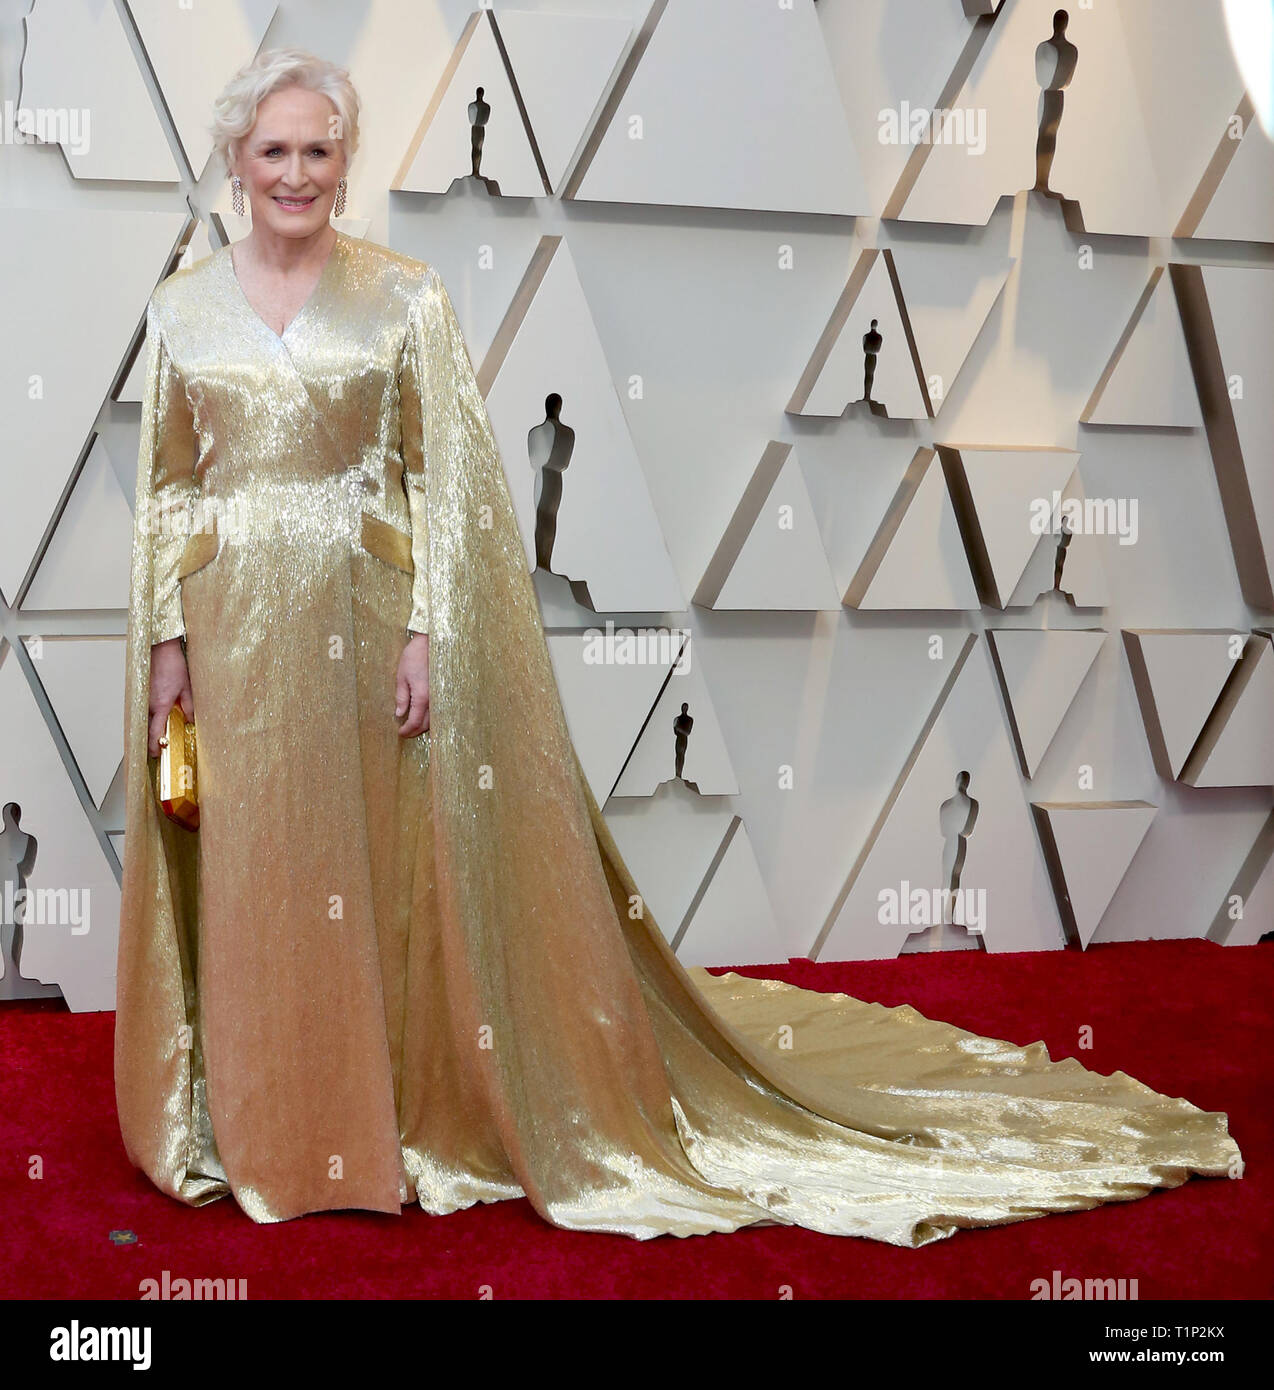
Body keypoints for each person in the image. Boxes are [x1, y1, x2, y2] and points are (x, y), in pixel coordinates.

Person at [117, 48, 1241, 1242]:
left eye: (319, 149)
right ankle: (265, 1124)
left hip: (365, 620)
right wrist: (167, 649)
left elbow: (444, 481)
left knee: (375, 878)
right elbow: (172, 491)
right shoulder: (182, 307)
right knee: (260, 881)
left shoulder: (403, 295)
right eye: (273, 150)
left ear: (344, 163)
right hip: (236, 633)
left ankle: (380, 1118)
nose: (296, 171)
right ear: (236, 162)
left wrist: (433, 633)